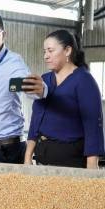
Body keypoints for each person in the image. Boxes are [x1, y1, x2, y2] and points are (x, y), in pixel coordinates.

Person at [24, 30, 104, 169]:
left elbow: (93, 125)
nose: (46, 56)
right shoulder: (45, 80)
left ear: (67, 50)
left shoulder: (84, 81)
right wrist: (27, 156)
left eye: (50, 51)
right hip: (42, 159)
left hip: (72, 161)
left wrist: (92, 167)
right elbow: (36, 119)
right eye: (44, 51)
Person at [0, 12, 46, 164]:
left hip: (8, 150)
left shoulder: (14, 63)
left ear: (3, 34)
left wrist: (40, 89)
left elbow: (26, 85)